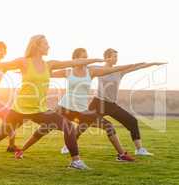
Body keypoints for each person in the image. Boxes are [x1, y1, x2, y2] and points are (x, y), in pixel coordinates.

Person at [0, 35, 105, 169]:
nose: (49, 46)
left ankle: (76, 162)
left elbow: (74, 62)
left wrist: (94, 60)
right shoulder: (23, 62)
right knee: (0, 134)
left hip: (40, 110)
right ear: (37, 46)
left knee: (68, 126)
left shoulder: (49, 64)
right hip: (20, 109)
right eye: (45, 44)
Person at [17, 48, 165, 161]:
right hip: (65, 107)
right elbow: (46, 73)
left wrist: (141, 64)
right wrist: (25, 73)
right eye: (83, 57)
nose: (85, 60)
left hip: (82, 110)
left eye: (86, 57)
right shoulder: (68, 71)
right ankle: (21, 150)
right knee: (45, 129)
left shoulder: (92, 71)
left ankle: (121, 155)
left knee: (108, 126)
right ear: (75, 59)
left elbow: (114, 69)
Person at [87, 48, 166, 156]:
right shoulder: (98, 69)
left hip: (111, 104)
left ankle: (139, 150)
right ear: (107, 57)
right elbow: (83, 68)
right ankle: (68, 145)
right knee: (84, 122)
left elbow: (136, 67)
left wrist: (153, 63)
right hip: (98, 103)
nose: (116, 59)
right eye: (114, 56)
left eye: (116, 56)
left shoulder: (120, 70)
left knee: (132, 121)